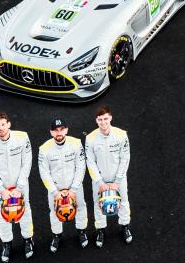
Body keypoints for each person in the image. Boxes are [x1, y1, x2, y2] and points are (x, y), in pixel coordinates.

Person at [0, 112, 34, 262]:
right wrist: (1, 189)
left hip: (21, 185)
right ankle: (6, 243)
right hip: (1, 188)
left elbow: (27, 162)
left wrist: (20, 187)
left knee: (25, 210)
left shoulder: (22, 137)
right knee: (2, 214)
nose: (1, 128)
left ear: (9, 124)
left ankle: (28, 240)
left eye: (3, 124)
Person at [38, 118, 89, 253]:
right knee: (54, 211)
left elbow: (81, 166)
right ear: (51, 132)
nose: (59, 133)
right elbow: (44, 172)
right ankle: (57, 235)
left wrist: (74, 189)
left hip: (75, 187)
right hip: (55, 189)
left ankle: (81, 231)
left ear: (66, 130)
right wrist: (55, 192)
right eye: (55, 130)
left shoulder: (76, 143)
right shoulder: (44, 149)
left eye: (61, 129)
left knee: (81, 207)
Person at [86, 106, 132, 246]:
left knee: (123, 202)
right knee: (98, 204)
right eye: (100, 119)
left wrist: (117, 181)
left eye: (105, 119)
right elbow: (90, 161)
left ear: (110, 118)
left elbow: (125, 158)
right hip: (99, 180)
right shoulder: (90, 138)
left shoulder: (121, 135)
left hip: (119, 178)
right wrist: (100, 182)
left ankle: (125, 226)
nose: (103, 122)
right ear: (96, 120)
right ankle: (100, 230)